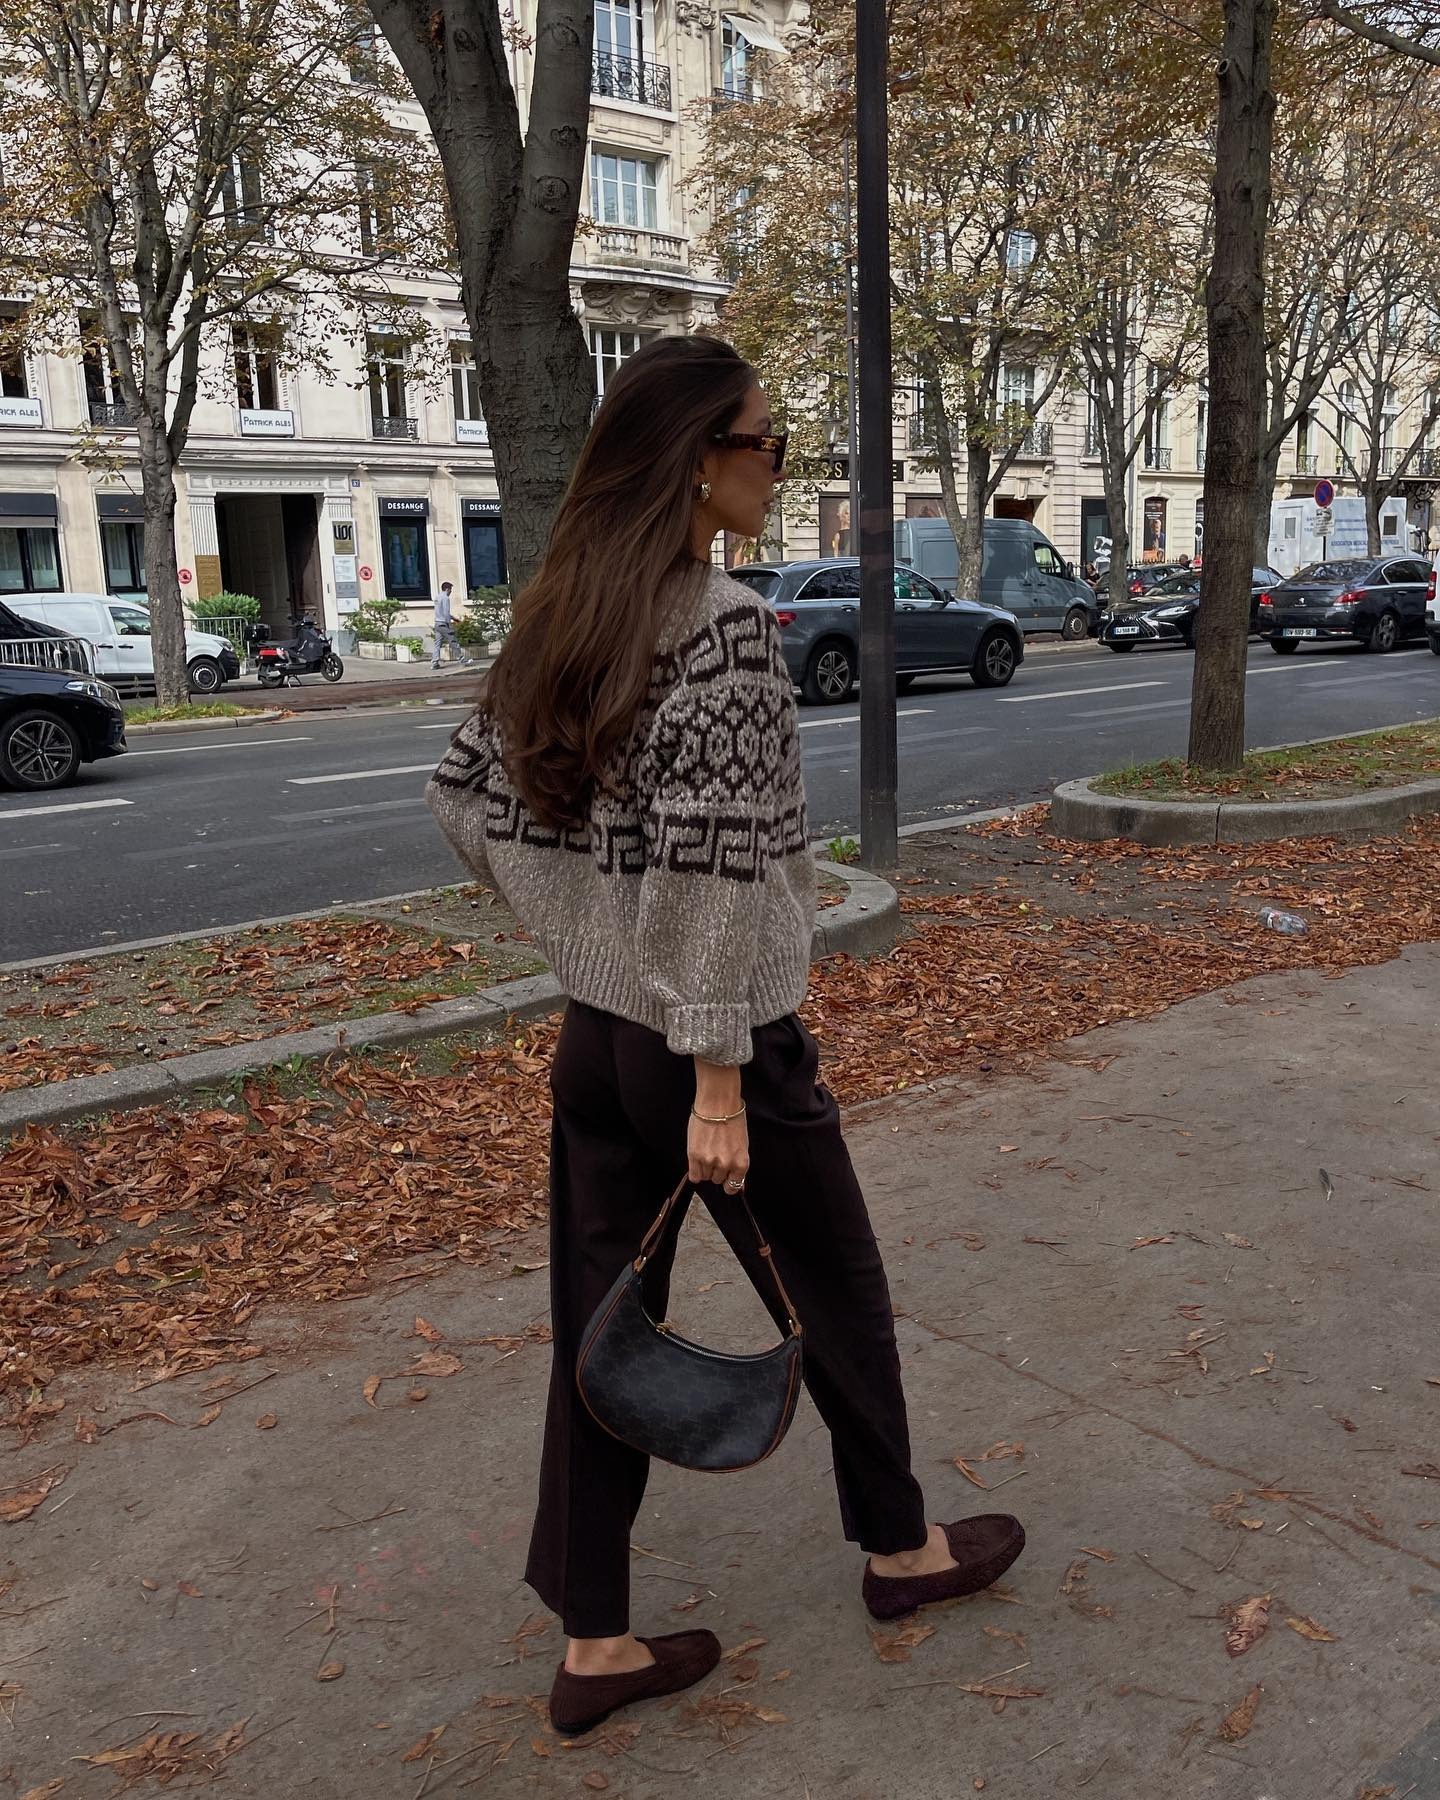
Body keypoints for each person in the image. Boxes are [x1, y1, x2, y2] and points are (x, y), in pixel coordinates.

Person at [426, 336, 1025, 1739]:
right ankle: (904, 1553)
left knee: (599, 1324)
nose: (780, 461)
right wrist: (710, 1068)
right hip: (715, 1053)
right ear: (700, 459)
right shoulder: (727, 631)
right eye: (766, 440)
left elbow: (463, 798)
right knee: (837, 1293)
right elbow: (714, 872)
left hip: (597, 1036)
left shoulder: (570, 610)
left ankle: (595, 1640)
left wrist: (587, 939)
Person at [431, 580, 471, 668]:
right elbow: (446, 612)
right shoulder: (445, 598)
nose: (451, 592)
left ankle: (434, 663)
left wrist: (454, 618)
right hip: (444, 624)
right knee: (453, 641)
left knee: (437, 644)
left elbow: (441, 612)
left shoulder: (437, 597)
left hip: (437, 623)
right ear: (447, 589)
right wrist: (449, 624)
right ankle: (462, 660)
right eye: (450, 590)